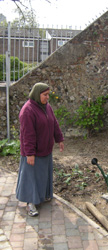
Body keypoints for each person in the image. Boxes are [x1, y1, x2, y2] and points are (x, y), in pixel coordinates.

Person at [16, 82, 64, 216]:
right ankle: (30, 204)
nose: (48, 97)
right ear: (37, 94)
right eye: (45, 95)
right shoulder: (28, 110)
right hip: (33, 153)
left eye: (48, 94)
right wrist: (30, 153)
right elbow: (28, 135)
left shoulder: (46, 107)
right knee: (31, 178)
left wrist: (59, 139)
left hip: (45, 149)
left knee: (43, 175)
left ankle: (43, 196)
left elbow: (54, 123)